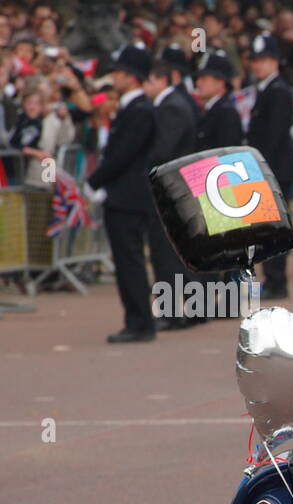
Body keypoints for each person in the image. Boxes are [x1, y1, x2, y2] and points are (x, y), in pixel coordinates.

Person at [86, 43, 157, 344]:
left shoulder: (139, 110)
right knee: (127, 261)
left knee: (129, 262)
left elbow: (123, 155)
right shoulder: (132, 108)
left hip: (127, 196)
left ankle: (140, 322)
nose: (115, 76)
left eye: (119, 72)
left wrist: (95, 181)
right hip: (123, 194)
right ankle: (137, 319)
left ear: (132, 76)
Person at [142, 60, 196, 329]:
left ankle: (173, 312)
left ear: (160, 80)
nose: (145, 88)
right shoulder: (173, 104)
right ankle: (186, 309)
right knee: (173, 253)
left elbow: (163, 151)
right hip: (175, 190)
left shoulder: (171, 107)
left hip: (169, 191)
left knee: (166, 254)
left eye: (147, 81)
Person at [246, 32, 293, 299]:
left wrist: (259, 168)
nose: (258, 65)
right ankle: (273, 279)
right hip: (268, 168)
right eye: (255, 60)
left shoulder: (277, 91)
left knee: (274, 230)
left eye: (264, 60)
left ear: (275, 61)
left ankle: (278, 281)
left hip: (274, 168)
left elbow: (274, 135)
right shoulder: (266, 89)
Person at [193, 50, 241, 150]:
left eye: (203, 79)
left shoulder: (226, 113)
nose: (198, 83)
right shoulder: (212, 109)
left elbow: (227, 153)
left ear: (220, 83)